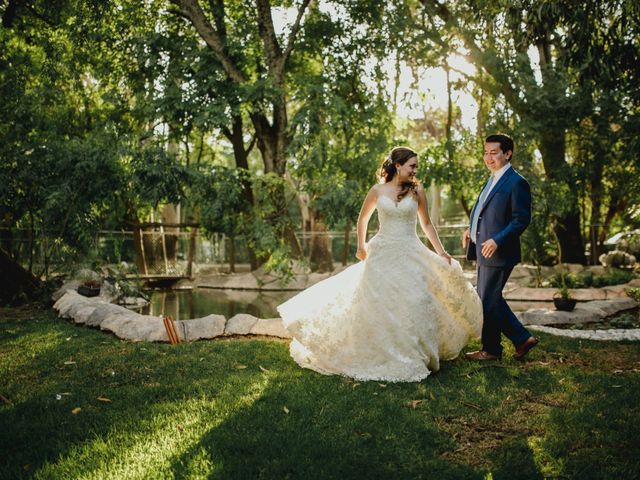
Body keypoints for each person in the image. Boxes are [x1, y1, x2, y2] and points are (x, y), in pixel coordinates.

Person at [277, 146, 483, 382]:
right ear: (398, 165)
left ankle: (413, 354)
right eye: (412, 166)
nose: (416, 170)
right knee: (376, 303)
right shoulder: (377, 190)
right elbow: (362, 218)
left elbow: (426, 224)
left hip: (410, 252)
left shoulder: (417, 191)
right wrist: (361, 246)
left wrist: (442, 251)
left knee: (415, 301)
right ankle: (378, 352)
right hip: (381, 252)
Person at [462, 134, 539, 361]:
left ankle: (506, 344)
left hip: (499, 251)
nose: (488, 157)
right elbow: (485, 212)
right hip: (483, 249)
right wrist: (471, 229)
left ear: (508, 153)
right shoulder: (493, 178)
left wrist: (497, 240)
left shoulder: (517, 182)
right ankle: (507, 344)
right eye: (485, 152)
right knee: (489, 299)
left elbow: (521, 219)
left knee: (487, 299)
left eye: (493, 153)